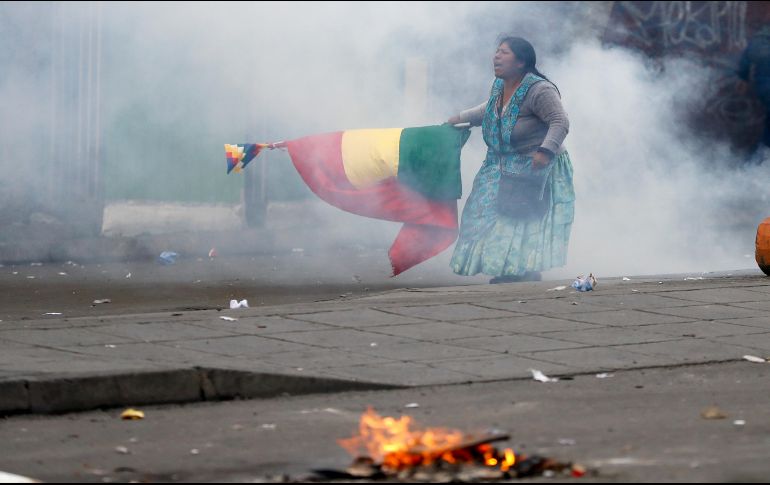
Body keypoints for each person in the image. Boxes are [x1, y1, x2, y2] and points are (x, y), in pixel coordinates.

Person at [447, 36, 575, 284]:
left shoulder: (540, 90)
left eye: (504, 52)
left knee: (516, 218)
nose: (496, 56)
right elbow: (490, 110)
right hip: (501, 164)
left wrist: (545, 151)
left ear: (521, 61)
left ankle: (518, 271)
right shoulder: (500, 86)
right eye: (496, 51)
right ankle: (510, 269)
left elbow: (560, 122)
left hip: (537, 165)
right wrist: (459, 118)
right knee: (486, 213)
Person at [738, 25, 770, 148]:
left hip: (763, 88)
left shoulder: (761, 37)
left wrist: (743, 77)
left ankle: (757, 162)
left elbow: (748, 55)